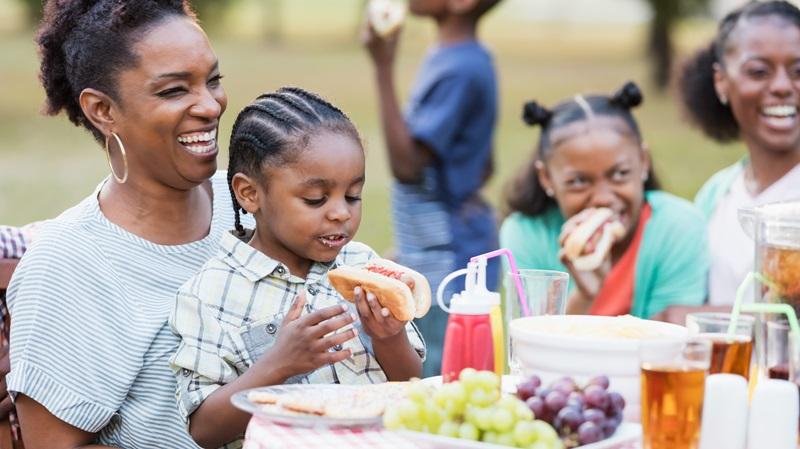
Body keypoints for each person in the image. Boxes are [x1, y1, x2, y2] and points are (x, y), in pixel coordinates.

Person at [6, 1, 241, 447]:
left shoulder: (255, 202)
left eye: (212, 80)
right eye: (174, 91)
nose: (210, 106)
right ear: (102, 110)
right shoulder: (67, 267)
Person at [169, 88, 426, 449]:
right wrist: (278, 365)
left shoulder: (363, 265)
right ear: (249, 194)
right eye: (315, 199)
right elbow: (204, 430)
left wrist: (389, 338)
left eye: (353, 196)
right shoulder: (208, 294)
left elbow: (414, 388)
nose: (341, 213)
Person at [363, 0, 502, 377]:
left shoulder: (458, 68)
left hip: (448, 261)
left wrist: (382, 67)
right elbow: (484, 163)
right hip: (440, 248)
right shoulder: (464, 58)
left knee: (438, 377)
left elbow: (407, 167)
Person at [499, 82, 709, 319]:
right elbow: (530, 348)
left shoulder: (677, 227)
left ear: (643, 161)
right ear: (546, 178)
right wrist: (584, 297)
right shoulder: (526, 234)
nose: (603, 198)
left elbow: (667, 344)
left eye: (619, 174)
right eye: (579, 181)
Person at [680, 0, 800, 307]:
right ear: (721, 82)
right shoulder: (716, 196)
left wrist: (704, 318)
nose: (783, 86)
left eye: (798, 70)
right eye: (759, 71)